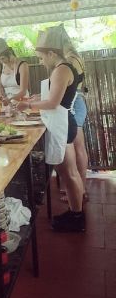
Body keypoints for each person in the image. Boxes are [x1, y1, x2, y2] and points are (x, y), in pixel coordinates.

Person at [17, 26, 85, 232]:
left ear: (52, 53)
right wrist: (37, 98)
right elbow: (57, 96)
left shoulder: (61, 69)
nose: (41, 61)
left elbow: (54, 102)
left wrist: (28, 105)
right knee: (70, 174)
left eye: (41, 57)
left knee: (69, 174)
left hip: (62, 124)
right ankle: (77, 214)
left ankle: (77, 218)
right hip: (64, 122)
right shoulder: (63, 67)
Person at [59, 26, 89, 203]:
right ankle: (78, 187)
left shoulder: (71, 59)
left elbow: (68, 87)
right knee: (78, 147)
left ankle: (81, 188)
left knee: (78, 147)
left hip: (75, 103)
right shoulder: (74, 57)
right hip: (77, 102)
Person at [0, 38, 29, 102]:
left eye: (3, 58)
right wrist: (2, 98)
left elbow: (23, 91)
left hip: (21, 101)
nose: (2, 61)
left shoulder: (22, 65)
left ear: (9, 54)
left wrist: (10, 99)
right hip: (6, 101)